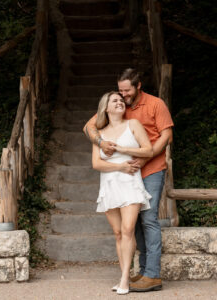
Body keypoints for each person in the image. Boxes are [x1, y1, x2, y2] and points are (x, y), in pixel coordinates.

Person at [84, 68, 174, 292]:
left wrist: (147, 157)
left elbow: (167, 135)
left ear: (138, 86)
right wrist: (101, 142)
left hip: (150, 168)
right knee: (132, 226)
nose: (123, 95)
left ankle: (152, 274)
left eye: (126, 91)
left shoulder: (155, 104)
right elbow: (89, 127)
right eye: (120, 91)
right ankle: (141, 271)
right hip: (123, 174)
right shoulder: (118, 106)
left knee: (149, 218)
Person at [92, 91, 153, 295]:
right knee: (118, 233)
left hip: (130, 183)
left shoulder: (133, 124)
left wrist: (123, 150)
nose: (119, 102)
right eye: (114, 101)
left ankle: (125, 279)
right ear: (106, 108)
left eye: (121, 100)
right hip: (110, 184)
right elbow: (96, 163)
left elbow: (148, 150)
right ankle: (123, 275)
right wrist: (119, 167)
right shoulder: (99, 133)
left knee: (128, 230)